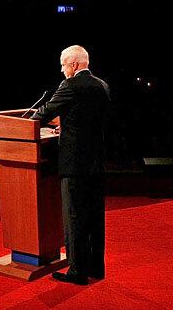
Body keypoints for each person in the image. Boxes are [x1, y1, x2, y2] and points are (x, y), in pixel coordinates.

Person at [31, 45, 111, 285]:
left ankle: (77, 272)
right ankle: (97, 267)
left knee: (74, 217)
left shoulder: (71, 85)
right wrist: (66, 126)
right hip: (97, 163)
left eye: (63, 64)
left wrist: (34, 117)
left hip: (74, 165)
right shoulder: (102, 85)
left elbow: (44, 113)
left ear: (74, 64)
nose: (62, 69)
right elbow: (88, 120)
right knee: (95, 218)